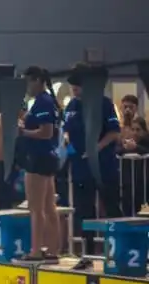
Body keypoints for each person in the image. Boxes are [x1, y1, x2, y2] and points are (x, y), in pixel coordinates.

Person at [63, 65, 124, 269]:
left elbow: (114, 132)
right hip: (81, 167)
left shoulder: (104, 104)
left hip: (103, 165)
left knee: (112, 207)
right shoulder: (71, 106)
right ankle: (87, 254)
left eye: (78, 86)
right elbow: (67, 130)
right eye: (73, 87)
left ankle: (120, 251)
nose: (74, 90)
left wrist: (96, 148)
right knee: (84, 211)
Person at [18, 67, 63, 262]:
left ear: (37, 80)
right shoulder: (47, 101)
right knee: (48, 206)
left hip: (39, 157)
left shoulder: (43, 102)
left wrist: (23, 132)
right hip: (47, 157)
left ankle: (36, 251)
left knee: (36, 208)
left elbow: (46, 132)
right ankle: (52, 251)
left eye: (28, 82)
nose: (26, 87)